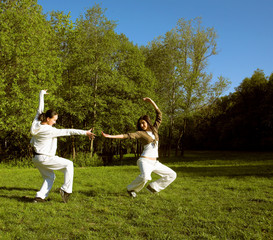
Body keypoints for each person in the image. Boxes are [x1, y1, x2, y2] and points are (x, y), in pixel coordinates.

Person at [102, 97, 176, 198]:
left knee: (172, 175)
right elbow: (126, 135)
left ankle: (153, 187)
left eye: (143, 123)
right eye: (140, 124)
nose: (141, 125)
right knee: (145, 177)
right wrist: (110, 136)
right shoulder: (140, 133)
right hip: (144, 161)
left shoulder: (154, 130)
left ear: (147, 122)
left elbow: (159, 115)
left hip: (155, 162)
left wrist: (152, 102)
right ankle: (131, 189)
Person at [30, 90, 95, 203]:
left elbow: (39, 109)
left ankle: (39, 197)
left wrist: (41, 94)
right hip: (45, 158)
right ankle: (66, 190)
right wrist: (85, 132)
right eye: (54, 120)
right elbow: (68, 131)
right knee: (69, 164)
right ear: (48, 119)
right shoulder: (50, 130)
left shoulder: (36, 123)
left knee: (50, 177)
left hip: (36, 158)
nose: (55, 122)